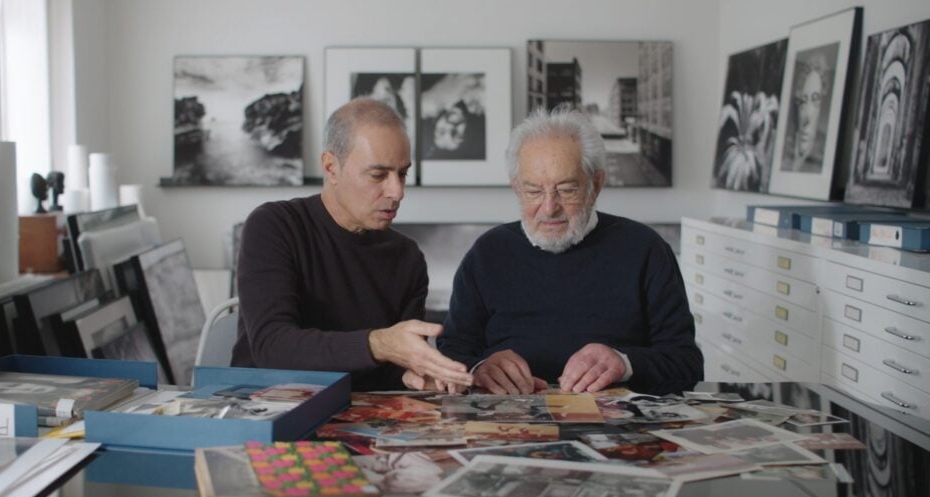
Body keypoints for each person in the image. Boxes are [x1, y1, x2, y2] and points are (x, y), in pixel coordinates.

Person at [433, 106, 703, 396]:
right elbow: (450, 353)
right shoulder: (487, 253)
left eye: (566, 189)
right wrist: (479, 368)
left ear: (595, 185)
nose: (549, 208)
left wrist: (624, 363)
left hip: (616, 431)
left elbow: (687, 363)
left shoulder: (646, 249)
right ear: (516, 188)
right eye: (534, 191)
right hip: (509, 427)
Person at [231, 98, 472, 393]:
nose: (397, 192)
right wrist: (378, 344)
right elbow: (273, 347)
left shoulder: (407, 258)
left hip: (361, 418)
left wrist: (414, 377)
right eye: (378, 175)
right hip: (267, 413)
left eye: (402, 173)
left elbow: (394, 369)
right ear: (331, 167)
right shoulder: (274, 226)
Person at [784, 52, 830, 173]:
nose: (807, 117)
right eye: (803, 102)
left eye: (815, 102)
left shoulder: (820, 164)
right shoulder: (785, 154)